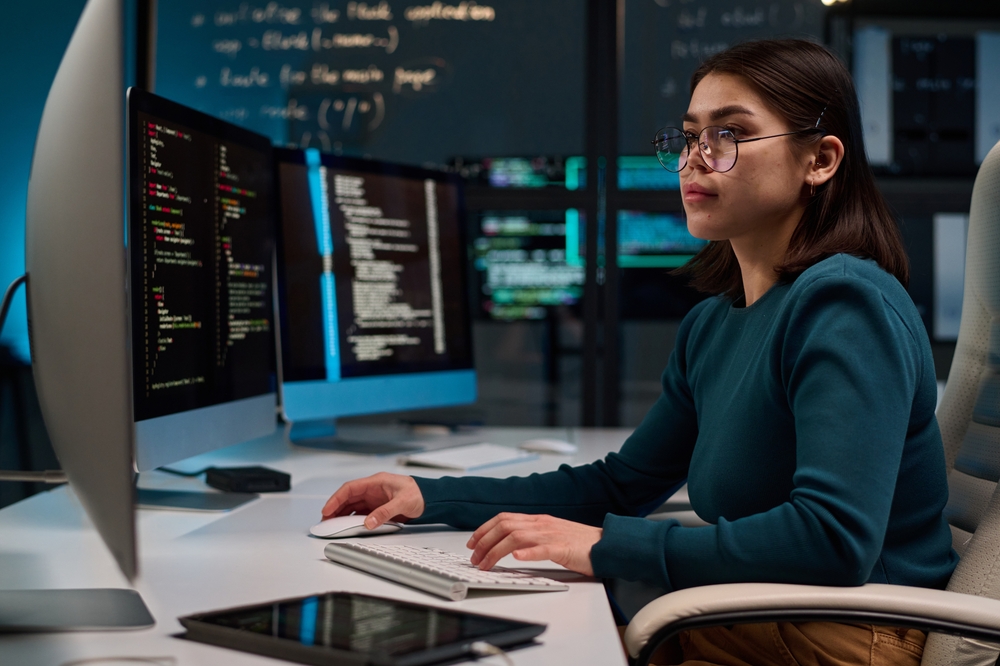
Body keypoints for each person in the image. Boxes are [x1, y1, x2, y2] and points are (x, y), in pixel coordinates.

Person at [321, 39, 958, 665]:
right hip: (766, 611)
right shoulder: (714, 323)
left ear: (819, 159)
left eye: (730, 135)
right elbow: (622, 484)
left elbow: (833, 540)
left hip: (851, 632)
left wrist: (601, 546)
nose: (696, 159)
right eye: (689, 137)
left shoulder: (846, 306)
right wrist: (430, 497)